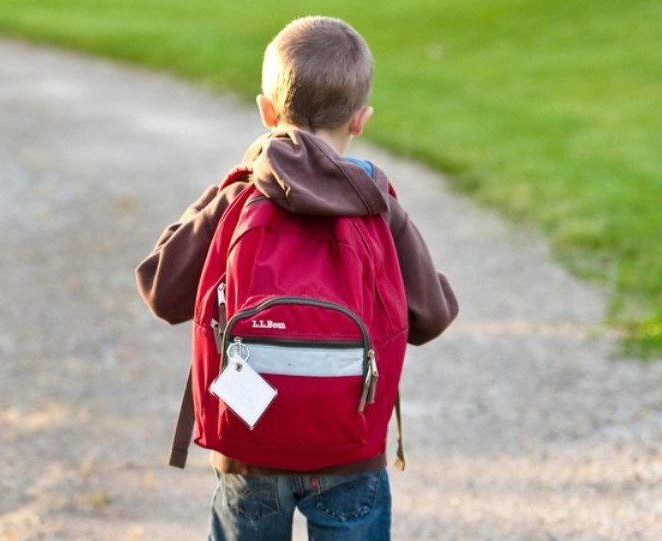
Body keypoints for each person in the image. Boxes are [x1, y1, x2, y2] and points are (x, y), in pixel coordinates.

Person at [136, 15, 458, 541]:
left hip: (249, 446)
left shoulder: (241, 197)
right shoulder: (377, 205)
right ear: (361, 119)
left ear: (265, 111)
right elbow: (432, 318)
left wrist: (224, 190)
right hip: (350, 449)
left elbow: (159, 289)